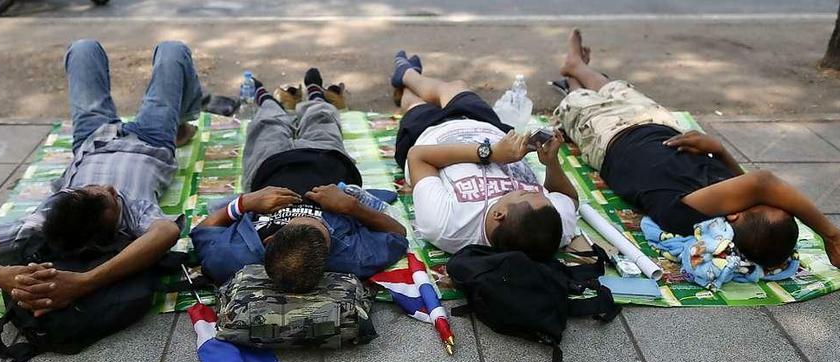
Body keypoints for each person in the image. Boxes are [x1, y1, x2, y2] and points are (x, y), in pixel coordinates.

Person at [0, 39, 204, 316]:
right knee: (172, 51)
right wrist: (86, 281)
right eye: (112, 196)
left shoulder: (44, 219)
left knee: (83, 49)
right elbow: (167, 232)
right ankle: (181, 124)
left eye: (87, 189)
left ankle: (177, 121)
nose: (108, 186)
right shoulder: (136, 215)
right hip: (152, 139)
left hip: (92, 136)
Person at [554, 29, 840, 269]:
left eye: (762, 201)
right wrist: (720, 150)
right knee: (617, 90)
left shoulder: (687, 217)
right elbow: (743, 181)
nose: (770, 196)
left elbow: (763, 182)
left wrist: (831, 235)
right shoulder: (726, 203)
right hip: (657, 125)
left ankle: (573, 77)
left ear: (735, 215)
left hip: (609, 137)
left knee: (582, 102)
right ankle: (577, 68)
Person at [191, 68, 409, 292]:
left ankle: (267, 100)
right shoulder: (355, 256)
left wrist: (244, 203)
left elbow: (201, 232)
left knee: (267, 125)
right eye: (321, 225)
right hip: (326, 160)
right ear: (329, 252)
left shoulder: (230, 258)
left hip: (269, 166)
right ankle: (316, 94)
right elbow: (398, 234)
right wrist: (351, 207)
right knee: (323, 121)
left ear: (268, 240)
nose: (306, 212)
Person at [391, 51, 580, 260]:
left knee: (415, 104)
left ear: (499, 215)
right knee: (457, 87)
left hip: (430, 133)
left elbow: (418, 156)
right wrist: (551, 163)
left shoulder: (446, 226)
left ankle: (406, 76)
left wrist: (491, 153)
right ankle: (408, 74)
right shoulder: (550, 227)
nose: (537, 191)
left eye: (523, 193)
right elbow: (569, 198)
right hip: (490, 129)